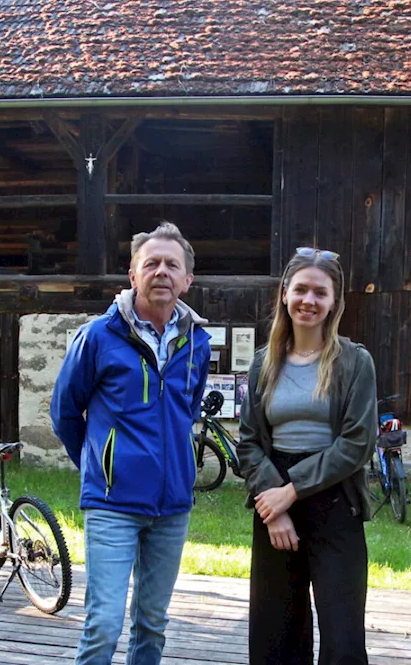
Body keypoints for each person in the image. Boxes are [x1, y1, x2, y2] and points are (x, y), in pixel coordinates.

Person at [50, 221, 212, 665]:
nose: (162, 271)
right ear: (133, 274)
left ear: (187, 280)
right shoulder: (98, 337)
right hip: (112, 504)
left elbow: (188, 410)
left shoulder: (198, 342)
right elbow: (65, 412)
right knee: (103, 624)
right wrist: (98, 463)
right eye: (151, 263)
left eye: (171, 265)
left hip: (173, 505)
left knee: (152, 624)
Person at [237, 246, 378, 665]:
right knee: (275, 633)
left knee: (343, 637)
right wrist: (275, 504)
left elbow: (356, 443)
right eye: (301, 290)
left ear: (335, 302)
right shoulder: (264, 363)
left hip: (336, 499)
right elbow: (248, 442)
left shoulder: (356, 363)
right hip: (272, 498)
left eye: (321, 292)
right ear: (284, 293)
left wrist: (292, 491)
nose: (309, 301)